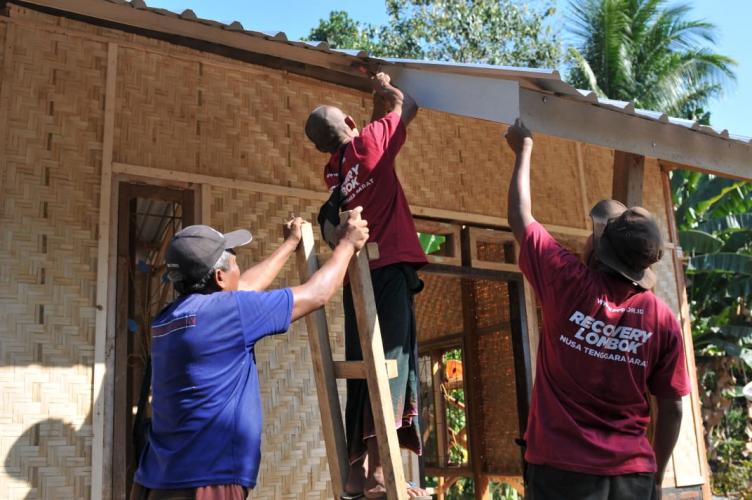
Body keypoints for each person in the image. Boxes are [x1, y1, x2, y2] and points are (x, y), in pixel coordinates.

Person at [505, 119, 690, 500]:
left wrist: (523, 150)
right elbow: (671, 408)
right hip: (633, 475)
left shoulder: (568, 282)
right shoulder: (663, 319)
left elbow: (521, 218)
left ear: (600, 250)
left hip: (561, 470)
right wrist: (654, 479)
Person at [131, 210, 369, 500]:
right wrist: (347, 243)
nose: (238, 270)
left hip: (159, 479)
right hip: (208, 482)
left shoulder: (167, 319)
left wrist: (290, 244)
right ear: (219, 277)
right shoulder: (231, 313)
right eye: (234, 263)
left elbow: (244, 287)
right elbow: (317, 293)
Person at [304, 73, 430, 499]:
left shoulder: (333, 174)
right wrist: (383, 85)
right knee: (392, 369)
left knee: (363, 370)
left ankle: (360, 475)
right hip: (391, 270)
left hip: (357, 279)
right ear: (354, 123)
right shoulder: (370, 143)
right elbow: (405, 105)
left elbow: (375, 136)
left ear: (322, 148)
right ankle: (380, 475)